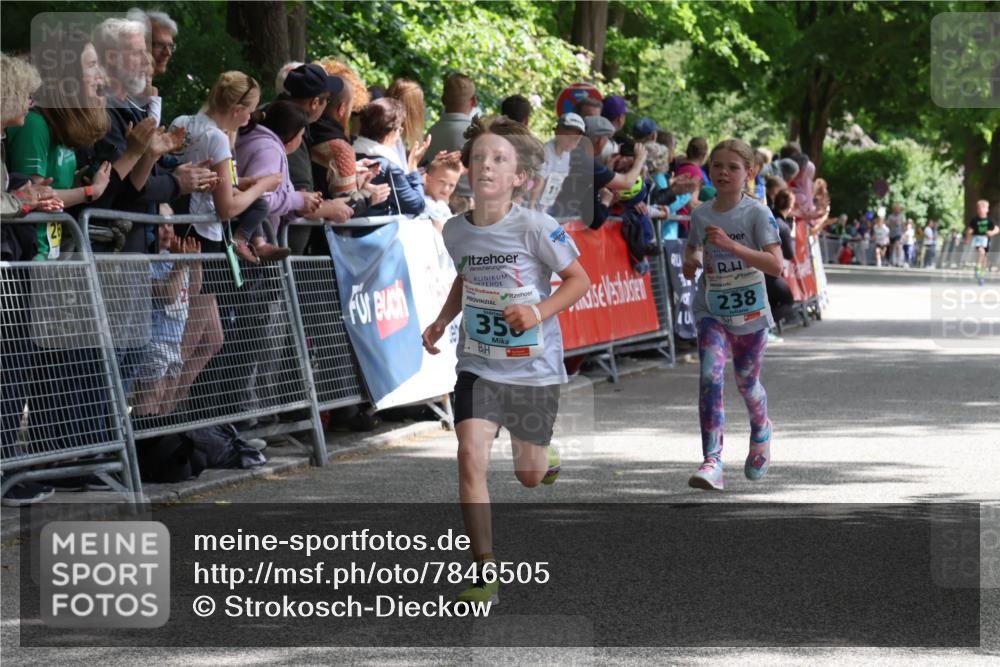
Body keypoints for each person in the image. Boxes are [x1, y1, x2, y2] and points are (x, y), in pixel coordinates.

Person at [420, 115, 590, 604]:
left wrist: (536, 310)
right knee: (469, 457)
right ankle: (484, 569)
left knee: (529, 475)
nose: (486, 167)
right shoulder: (455, 231)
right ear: (469, 173)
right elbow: (465, 279)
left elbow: (579, 280)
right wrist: (439, 321)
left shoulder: (539, 226)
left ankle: (545, 453)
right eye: (479, 159)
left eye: (499, 159)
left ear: (520, 177)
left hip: (532, 365)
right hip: (478, 361)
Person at [682, 139, 783, 491]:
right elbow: (692, 248)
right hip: (712, 308)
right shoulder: (701, 214)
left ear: (749, 174)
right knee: (710, 376)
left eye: (733, 167)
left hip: (751, 313)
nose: (723, 172)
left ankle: (762, 429)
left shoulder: (757, 213)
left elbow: (776, 265)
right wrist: (689, 261)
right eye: (717, 166)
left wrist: (732, 246)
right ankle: (713, 460)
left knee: (746, 383)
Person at [169, 71, 286, 262]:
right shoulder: (217, 138)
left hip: (175, 223)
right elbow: (227, 209)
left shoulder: (180, 122)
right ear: (237, 110)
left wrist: (244, 182)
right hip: (202, 232)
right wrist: (262, 186)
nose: (251, 117)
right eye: (250, 111)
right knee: (203, 292)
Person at [132, 224, 203, 415]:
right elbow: (168, 295)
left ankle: (156, 439)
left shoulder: (173, 259)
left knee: (164, 399)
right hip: (155, 339)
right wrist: (181, 265)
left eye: (170, 225)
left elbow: (193, 291)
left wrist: (194, 263)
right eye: (161, 225)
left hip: (175, 340)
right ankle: (143, 438)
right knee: (149, 397)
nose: (167, 230)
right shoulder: (149, 262)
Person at [236, 100, 323, 237]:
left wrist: (299, 207)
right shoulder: (270, 150)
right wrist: (296, 200)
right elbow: (259, 200)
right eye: (301, 135)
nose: (300, 140)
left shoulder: (258, 142)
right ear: (292, 136)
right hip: (251, 245)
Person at [353, 97, 430, 217]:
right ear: (390, 132)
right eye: (399, 129)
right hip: (376, 232)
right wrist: (413, 166)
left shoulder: (349, 154)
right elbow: (417, 205)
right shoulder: (388, 167)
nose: (399, 134)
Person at [426, 73, 476, 200]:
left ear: (443, 100)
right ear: (474, 101)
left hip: (435, 203)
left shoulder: (431, 133)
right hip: (469, 207)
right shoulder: (480, 136)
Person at [527, 112, 584, 214]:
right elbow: (538, 180)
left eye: (576, 137)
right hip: (529, 207)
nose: (572, 140)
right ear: (557, 132)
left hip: (544, 209)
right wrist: (530, 210)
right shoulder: (545, 152)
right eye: (568, 135)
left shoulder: (567, 154)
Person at [422, 154, 461, 232]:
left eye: (451, 185)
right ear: (428, 179)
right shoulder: (424, 202)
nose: (446, 189)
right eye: (442, 182)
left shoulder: (441, 205)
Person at [965, 199, 998, 285]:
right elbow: (969, 230)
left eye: (983, 208)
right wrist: (967, 238)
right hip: (977, 239)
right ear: (977, 209)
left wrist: (992, 232)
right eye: (979, 208)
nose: (981, 210)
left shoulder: (989, 220)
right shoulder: (975, 220)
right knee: (981, 251)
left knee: (985, 257)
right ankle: (977, 267)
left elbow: (997, 229)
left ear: (987, 209)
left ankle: (981, 275)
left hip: (986, 239)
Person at [886, 203, 906, 267]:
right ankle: (891, 261)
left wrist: (903, 233)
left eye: (898, 209)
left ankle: (898, 261)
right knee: (891, 247)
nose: (897, 210)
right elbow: (887, 225)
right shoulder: (890, 216)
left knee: (897, 246)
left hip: (898, 233)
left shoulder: (902, 216)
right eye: (896, 209)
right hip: (892, 233)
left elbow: (903, 225)